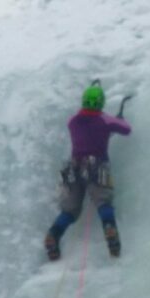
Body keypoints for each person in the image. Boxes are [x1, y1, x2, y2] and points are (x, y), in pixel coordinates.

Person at [45, 82, 130, 261]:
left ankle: (54, 234)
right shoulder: (105, 120)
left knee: (70, 210)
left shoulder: (73, 121)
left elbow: (89, 128)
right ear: (100, 103)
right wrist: (119, 121)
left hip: (73, 168)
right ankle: (110, 231)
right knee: (103, 202)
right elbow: (126, 130)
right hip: (96, 166)